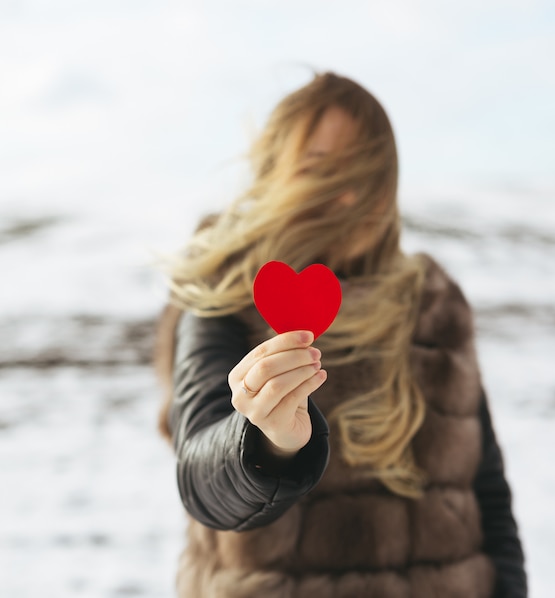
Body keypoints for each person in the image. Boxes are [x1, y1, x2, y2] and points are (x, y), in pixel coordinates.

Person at [155, 72, 527, 597]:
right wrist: (268, 443)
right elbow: (202, 484)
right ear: (273, 172)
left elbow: (487, 494)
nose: (349, 196)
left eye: (367, 175)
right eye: (320, 171)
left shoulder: (432, 303)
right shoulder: (225, 294)